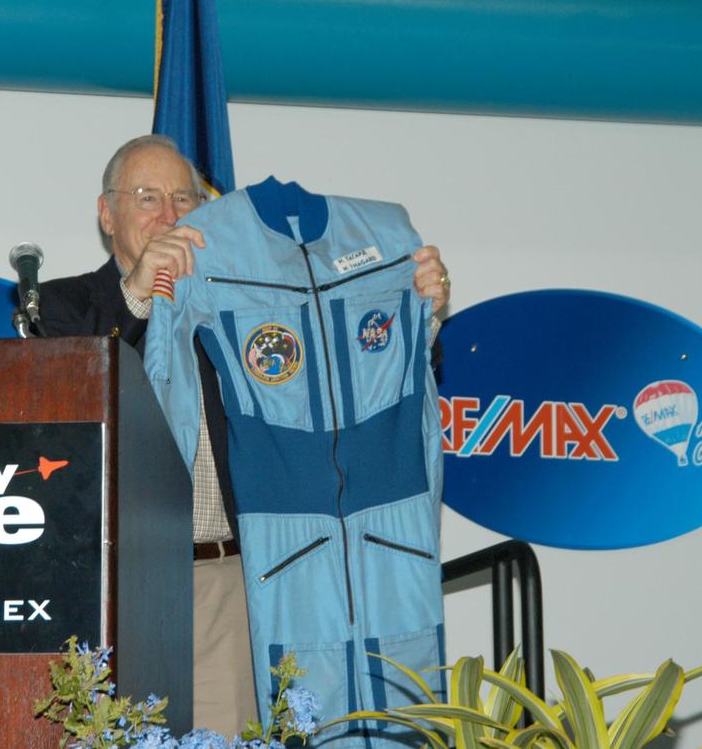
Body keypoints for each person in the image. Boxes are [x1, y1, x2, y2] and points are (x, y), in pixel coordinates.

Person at [36, 134, 449, 735]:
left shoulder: (244, 290)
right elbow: (72, 396)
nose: (170, 215)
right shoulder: (60, 306)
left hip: (231, 576)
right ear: (107, 213)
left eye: (185, 197)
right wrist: (142, 296)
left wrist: (418, 318)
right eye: (147, 197)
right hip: (117, 587)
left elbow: (357, 393)